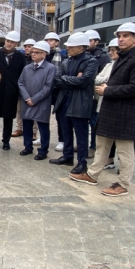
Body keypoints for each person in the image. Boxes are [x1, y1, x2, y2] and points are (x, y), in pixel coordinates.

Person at [71, 23, 135, 197]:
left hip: (125, 113)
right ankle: (92, 175)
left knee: (124, 150)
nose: (121, 39)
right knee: (102, 145)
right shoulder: (122, 57)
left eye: (126, 36)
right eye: (120, 35)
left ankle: (123, 184)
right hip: (110, 110)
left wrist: (107, 90)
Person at [50, 32, 98, 175]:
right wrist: (73, 79)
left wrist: (68, 79)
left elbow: (84, 81)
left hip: (80, 103)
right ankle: (68, 156)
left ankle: (82, 163)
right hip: (64, 101)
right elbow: (57, 80)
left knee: (81, 134)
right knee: (65, 131)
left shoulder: (91, 61)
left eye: (71, 46)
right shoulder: (66, 62)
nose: (68, 48)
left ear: (81, 47)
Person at [17, 40, 56, 160]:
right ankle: (28, 147)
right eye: (32, 52)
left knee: (43, 126)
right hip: (27, 100)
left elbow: (48, 87)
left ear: (44, 54)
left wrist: (34, 99)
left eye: (36, 52)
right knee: (27, 124)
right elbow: (21, 82)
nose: (33, 54)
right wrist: (27, 97)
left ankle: (43, 150)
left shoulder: (50, 68)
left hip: (42, 102)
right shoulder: (27, 68)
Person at [0, 30, 26, 150]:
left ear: (16, 44)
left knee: (8, 117)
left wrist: (18, 88)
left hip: (12, 91)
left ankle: (6, 141)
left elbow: (22, 74)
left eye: (12, 42)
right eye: (8, 41)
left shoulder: (20, 57)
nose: (9, 44)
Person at [94, 38, 120, 170]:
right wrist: (107, 79)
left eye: (113, 50)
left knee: (120, 138)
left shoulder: (123, 66)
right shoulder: (109, 65)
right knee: (104, 135)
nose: (111, 53)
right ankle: (107, 160)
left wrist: (107, 83)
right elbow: (97, 79)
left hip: (118, 106)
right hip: (103, 103)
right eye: (110, 50)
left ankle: (118, 162)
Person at [86, 29, 112, 158]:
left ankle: (93, 147)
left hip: (95, 94)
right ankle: (84, 145)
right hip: (84, 94)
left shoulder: (103, 56)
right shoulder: (83, 54)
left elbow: (104, 77)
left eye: (90, 40)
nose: (87, 43)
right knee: (83, 121)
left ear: (96, 42)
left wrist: (88, 77)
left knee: (94, 122)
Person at [45, 31, 68, 152]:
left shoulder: (63, 55)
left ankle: (62, 140)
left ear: (57, 42)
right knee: (42, 114)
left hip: (59, 90)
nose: (49, 43)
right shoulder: (44, 55)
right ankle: (42, 137)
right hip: (46, 89)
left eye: (51, 40)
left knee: (61, 117)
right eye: (47, 40)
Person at [13, 38, 37, 139]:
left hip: (33, 90)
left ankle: (34, 131)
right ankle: (19, 128)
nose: (27, 48)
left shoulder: (36, 60)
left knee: (34, 110)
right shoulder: (22, 58)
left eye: (29, 46)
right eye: (26, 46)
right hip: (21, 89)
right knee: (19, 110)